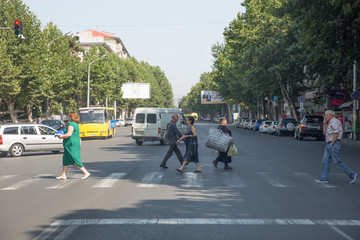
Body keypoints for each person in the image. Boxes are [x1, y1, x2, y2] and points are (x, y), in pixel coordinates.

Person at [315, 110, 357, 184]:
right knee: (325, 161)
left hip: (333, 144)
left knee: (337, 161)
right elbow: (325, 133)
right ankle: (324, 178)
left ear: (330, 115)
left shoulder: (335, 122)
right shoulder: (329, 122)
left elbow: (336, 134)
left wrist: (332, 143)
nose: (325, 117)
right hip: (328, 144)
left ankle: (352, 174)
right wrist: (324, 124)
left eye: (325, 115)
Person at [56, 111, 90, 180]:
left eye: (69, 116)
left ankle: (86, 172)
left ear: (71, 117)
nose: (68, 117)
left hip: (71, 145)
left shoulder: (71, 124)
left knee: (74, 159)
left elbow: (69, 134)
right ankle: (63, 175)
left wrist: (61, 136)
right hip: (70, 144)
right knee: (66, 159)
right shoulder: (75, 124)